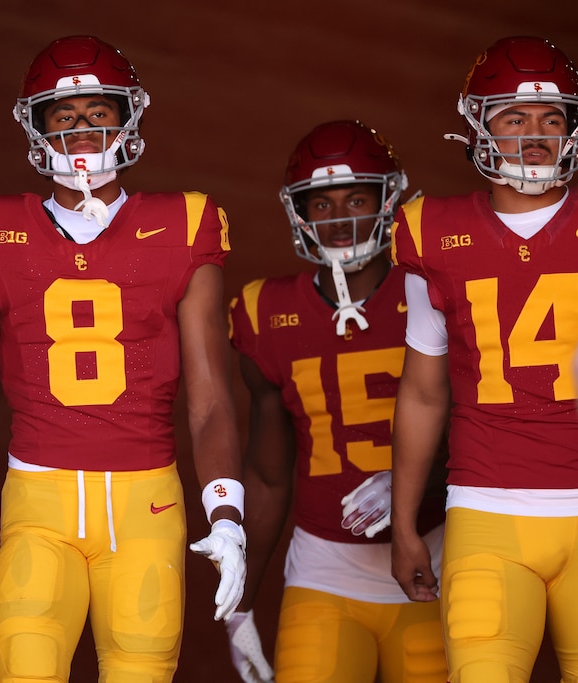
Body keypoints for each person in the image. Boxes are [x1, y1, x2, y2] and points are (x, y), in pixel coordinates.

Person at [0, 35, 247, 682]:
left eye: (97, 112)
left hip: (147, 507)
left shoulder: (186, 223)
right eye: (63, 115)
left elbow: (210, 398)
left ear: (127, 117)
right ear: (35, 124)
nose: (82, 129)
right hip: (37, 505)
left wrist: (226, 510)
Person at [227, 120, 448, 683]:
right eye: (321, 203)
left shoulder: (434, 288)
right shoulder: (263, 313)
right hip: (325, 570)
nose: (341, 217)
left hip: (437, 560)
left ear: (388, 199)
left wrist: (418, 479)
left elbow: (489, 422)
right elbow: (270, 476)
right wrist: (243, 603)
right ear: (299, 214)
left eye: (356, 198)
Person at [390, 35, 578, 682]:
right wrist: (404, 520)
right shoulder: (432, 230)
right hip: (488, 508)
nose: (535, 133)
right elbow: (422, 391)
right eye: (513, 117)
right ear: (478, 126)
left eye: (553, 117)